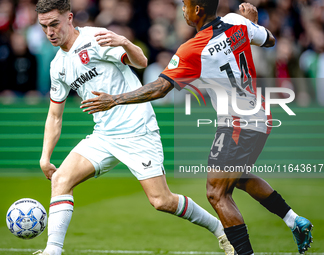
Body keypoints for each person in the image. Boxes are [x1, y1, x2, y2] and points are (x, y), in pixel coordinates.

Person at [80, 1, 313, 254]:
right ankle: (294, 220)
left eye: (186, 6)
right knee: (238, 177)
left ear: (198, 10)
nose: (182, 11)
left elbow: (160, 87)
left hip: (238, 121)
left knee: (216, 193)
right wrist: (252, 23)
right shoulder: (238, 21)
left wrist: (114, 99)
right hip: (257, 111)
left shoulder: (193, 48)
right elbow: (269, 40)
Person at [33, 0, 236, 254]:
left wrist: (125, 42)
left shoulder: (95, 38)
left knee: (161, 201)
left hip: (137, 127)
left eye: (54, 24)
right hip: (104, 135)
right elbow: (54, 115)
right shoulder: (57, 66)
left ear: (70, 18)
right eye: (44, 27)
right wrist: (45, 157)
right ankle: (53, 251)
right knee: (61, 179)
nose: (50, 32)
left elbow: (140, 62)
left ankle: (220, 229)